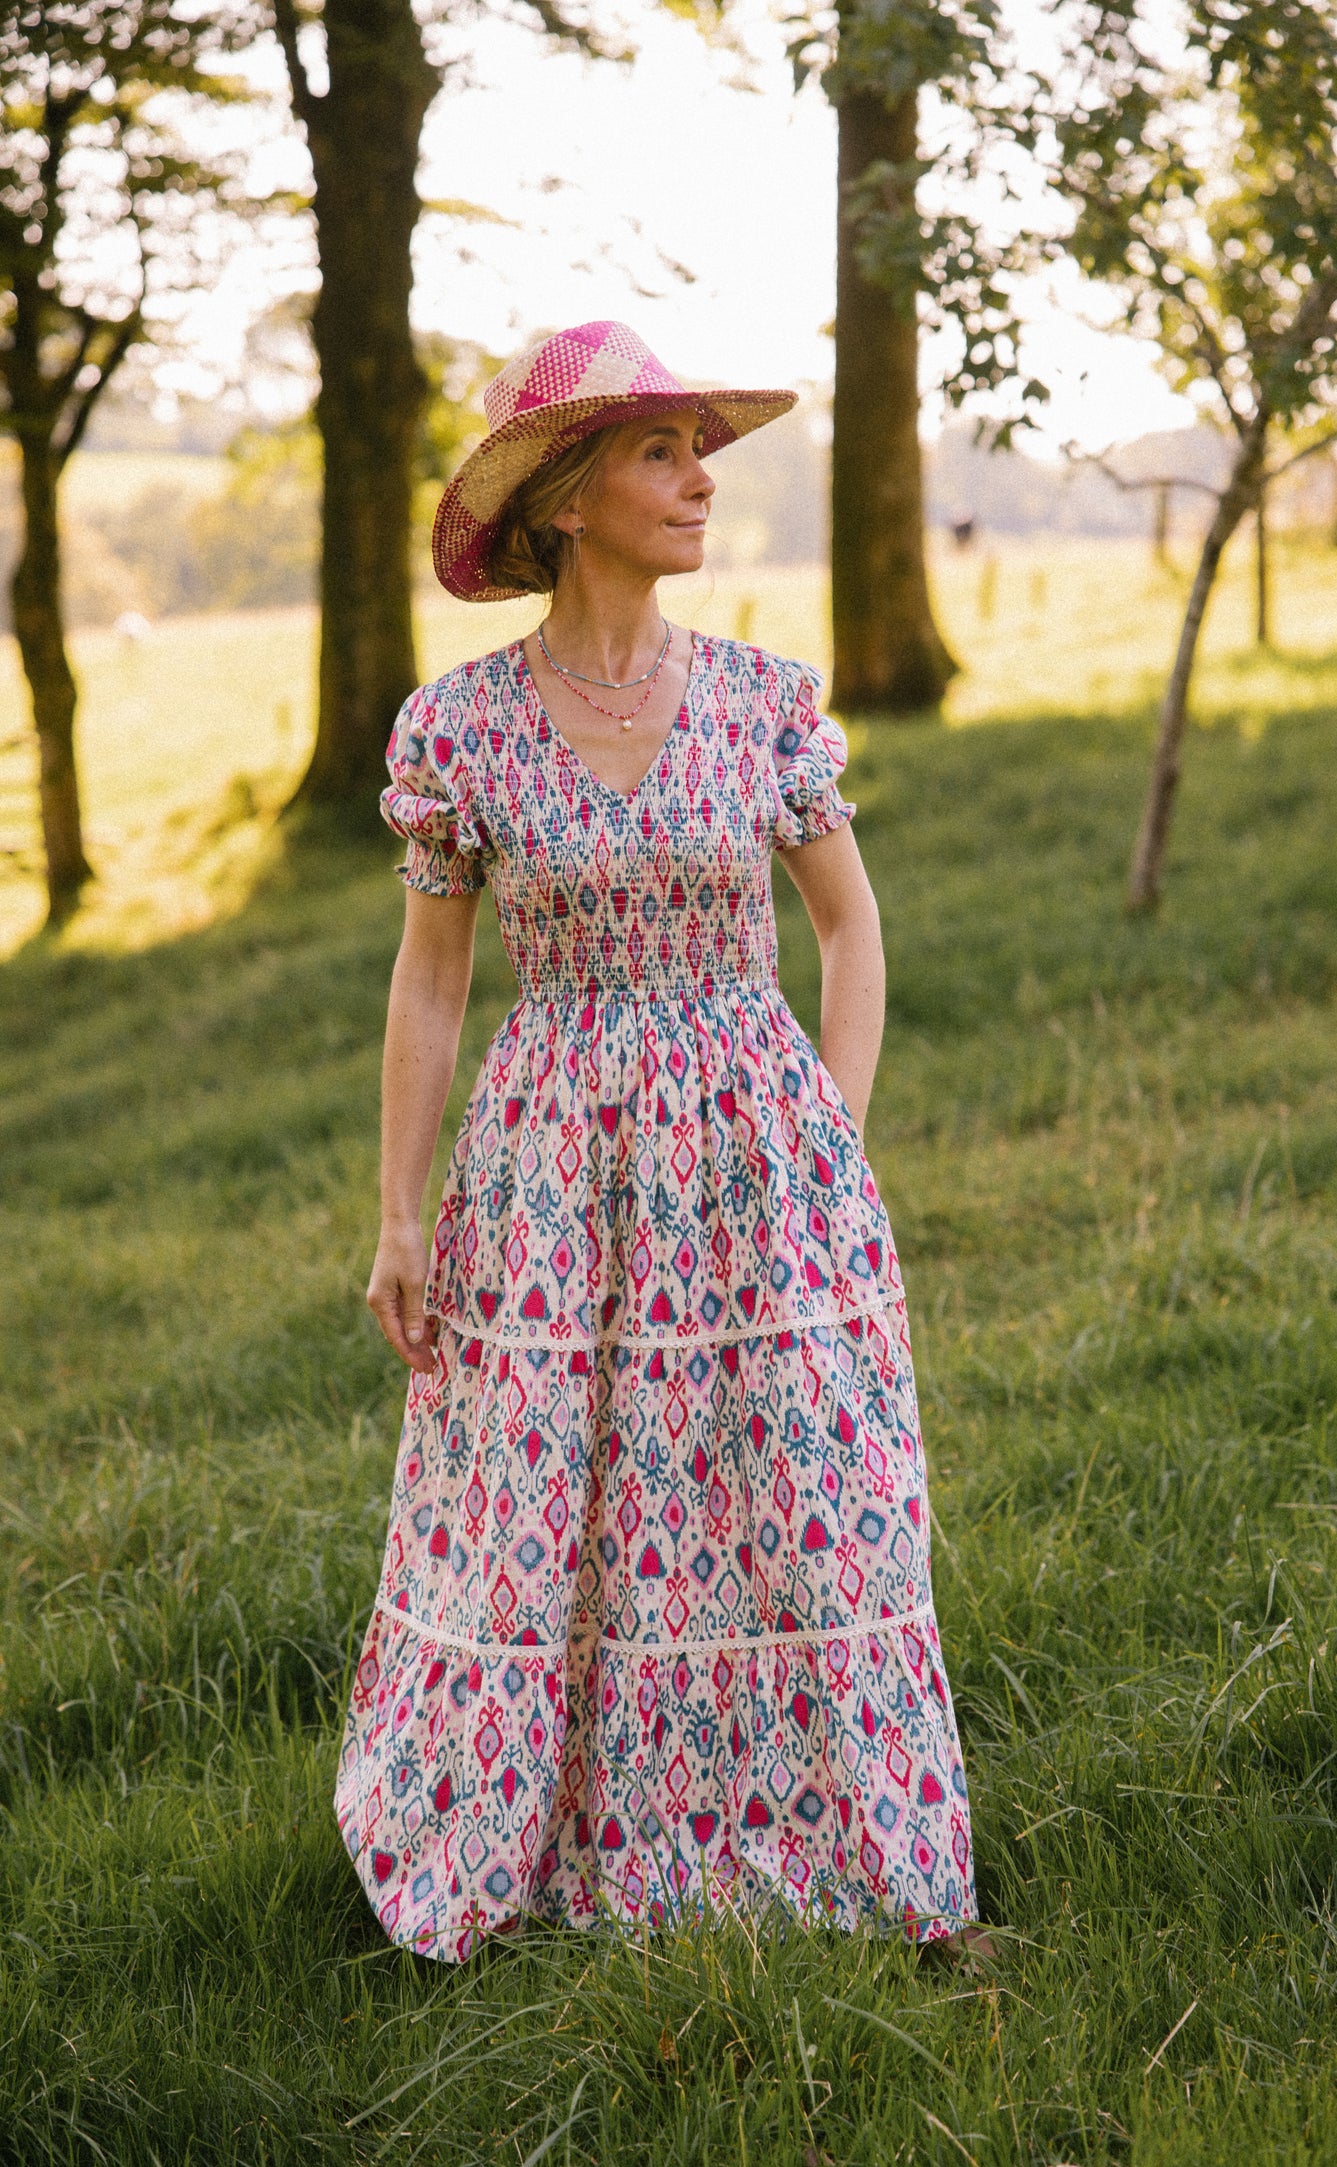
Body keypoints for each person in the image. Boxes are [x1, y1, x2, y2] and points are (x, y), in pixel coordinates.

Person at [335, 319, 989, 1961]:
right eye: (659, 451)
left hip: (765, 1154)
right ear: (563, 496)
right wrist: (400, 1219)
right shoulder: (461, 732)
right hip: (549, 1171)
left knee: (802, 1487)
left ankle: (871, 1861)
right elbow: (431, 991)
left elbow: (849, 938)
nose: (701, 481)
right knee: (563, 1499)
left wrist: (822, 1142)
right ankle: (566, 1850)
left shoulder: (765, 701)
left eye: (701, 448)